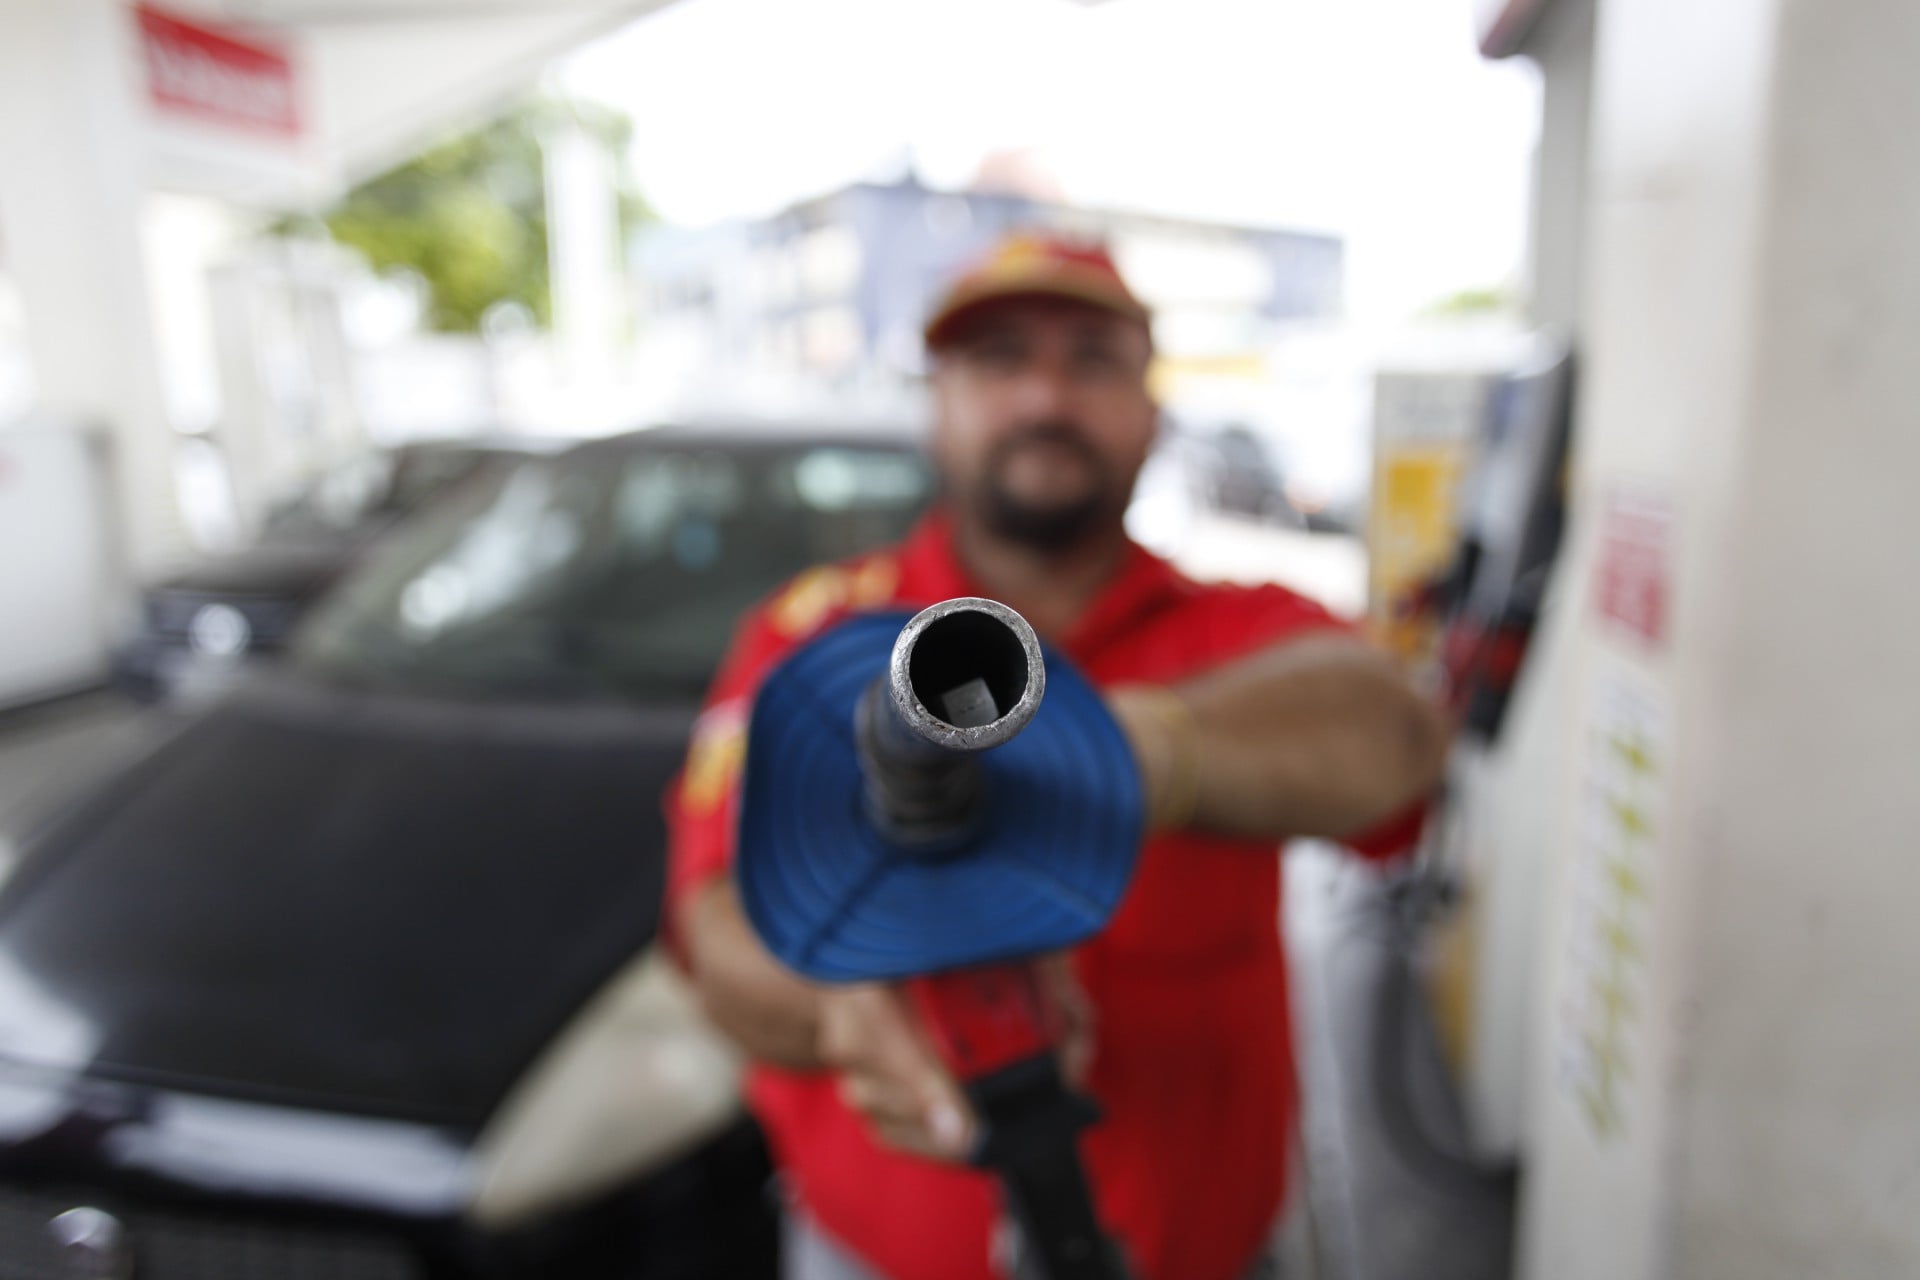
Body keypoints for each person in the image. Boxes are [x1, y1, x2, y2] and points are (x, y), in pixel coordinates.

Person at [666, 231, 1448, 1280]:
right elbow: (712, 926)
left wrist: (1114, 755)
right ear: (938, 403)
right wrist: (842, 999)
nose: (1044, 395)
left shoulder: (1248, 630)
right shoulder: (810, 644)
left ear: (1153, 411)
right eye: (999, 359)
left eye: (1092, 360)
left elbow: (1397, 736)